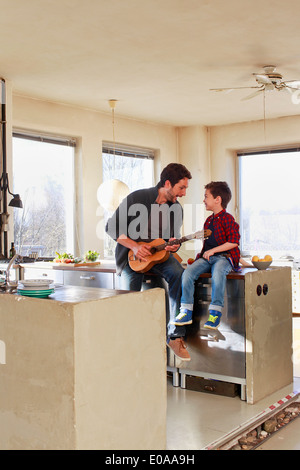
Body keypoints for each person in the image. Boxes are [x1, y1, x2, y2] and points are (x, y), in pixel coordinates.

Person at [105, 163, 192, 361]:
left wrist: (174, 246)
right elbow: (111, 227)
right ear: (167, 183)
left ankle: (175, 335)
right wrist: (135, 246)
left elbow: (174, 238)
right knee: (129, 299)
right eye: (181, 187)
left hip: (159, 256)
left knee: (180, 275)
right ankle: (127, 346)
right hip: (131, 257)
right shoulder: (138, 197)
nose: (184, 193)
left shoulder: (176, 209)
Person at [172, 181, 240, 330]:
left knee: (217, 273)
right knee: (188, 273)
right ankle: (186, 311)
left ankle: (215, 312)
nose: (204, 200)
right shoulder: (209, 221)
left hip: (224, 257)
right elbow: (207, 246)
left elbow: (234, 242)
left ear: (218, 199)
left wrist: (214, 251)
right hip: (207, 258)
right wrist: (199, 258)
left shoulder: (228, 219)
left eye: (206, 196)